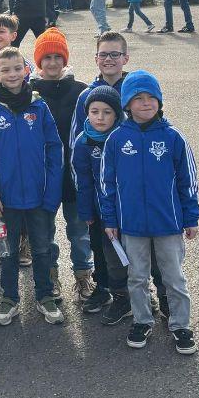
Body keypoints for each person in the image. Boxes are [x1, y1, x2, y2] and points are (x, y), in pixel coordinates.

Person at [100, 70, 199, 354]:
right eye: (138, 98)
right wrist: (110, 219)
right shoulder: (117, 139)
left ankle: (181, 325)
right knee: (137, 277)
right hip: (132, 225)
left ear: (159, 101)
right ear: (127, 105)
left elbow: (188, 181)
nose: (146, 103)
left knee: (174, 278)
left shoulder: (173, 138)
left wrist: (191, 217)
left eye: (151, 97)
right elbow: (107, 184)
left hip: (168, 223)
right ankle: (142, 320)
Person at [0, 47, 64, 326]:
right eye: (5, 70)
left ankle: (44, 295)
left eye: (17, 69)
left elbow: (55, 150)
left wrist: (52, 192)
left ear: (26, 70)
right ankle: (9, 298)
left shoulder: (39, 107)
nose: (12, 74)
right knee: (7, 250)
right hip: (4, 200)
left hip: (39, 197)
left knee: (42, 248)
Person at [30, 28, 93, 302]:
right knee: (45, 233)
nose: (53, 62)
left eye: (58, 57)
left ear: (65, 59)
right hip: (42, 177)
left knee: (79, 232)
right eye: (47, 57)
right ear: (39, 61)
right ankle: (50, 277)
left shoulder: (81, 92)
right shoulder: (30, 93)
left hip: (74, 175)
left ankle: (83, 275)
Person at [71, 85, 130, 323]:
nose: (100, 117)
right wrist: (86, 211)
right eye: (94, 112)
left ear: (117, 114)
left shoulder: (124, 137)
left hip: (125, 211)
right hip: (98, 212)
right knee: (101, 250)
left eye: (107, 112)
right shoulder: (82, 142)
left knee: (132, 253)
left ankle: (137, 293)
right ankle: (106, 289)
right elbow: (82, 181)